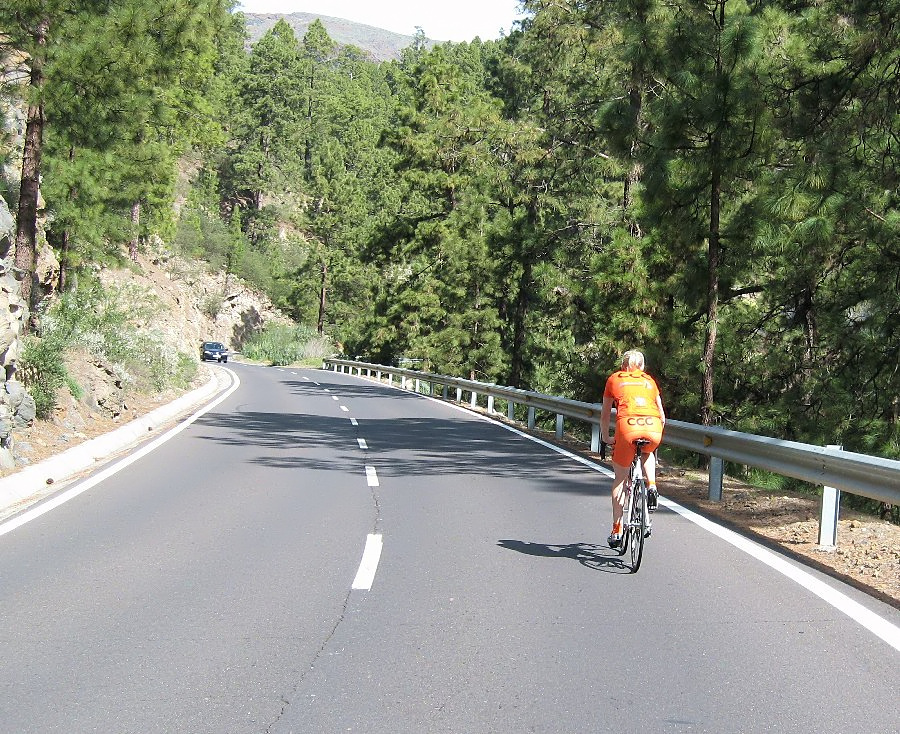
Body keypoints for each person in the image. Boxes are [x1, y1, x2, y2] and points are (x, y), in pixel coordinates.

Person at [600, 349, 666, 548]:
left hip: (627, 426)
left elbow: (605, 415)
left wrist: (606, 437)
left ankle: (617, 529)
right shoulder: (650, 381)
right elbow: (662, 416)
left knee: (620, 479)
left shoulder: (614, 379)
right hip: (653, 426)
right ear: (643, 366)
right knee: (647, 451)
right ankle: (652, 485)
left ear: (623, 365)